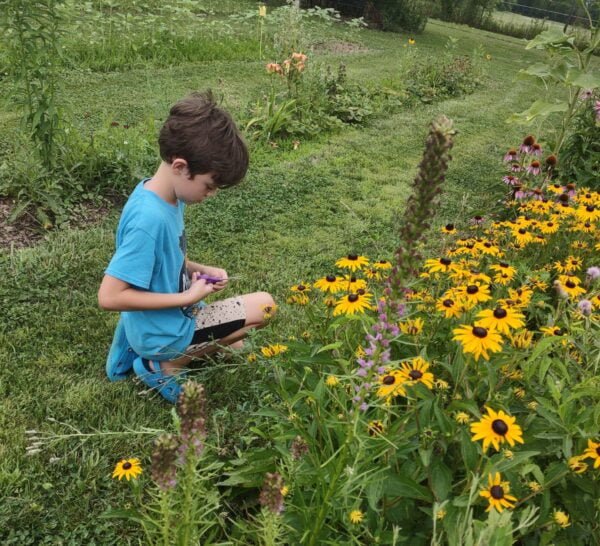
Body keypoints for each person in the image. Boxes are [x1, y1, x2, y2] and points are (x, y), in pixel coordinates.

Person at [98, 91, 275, 403]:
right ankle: (160, 364)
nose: (211, 194)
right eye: (209, 185)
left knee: (235, 346)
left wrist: (200, 270)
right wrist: (187, 296)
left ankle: (133, 345)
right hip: (167, 329)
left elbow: (163, 258)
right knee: (264, 306)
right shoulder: (149, 220)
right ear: (180, 166)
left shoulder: (159, 196)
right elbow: (110, 296)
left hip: (164, 320)